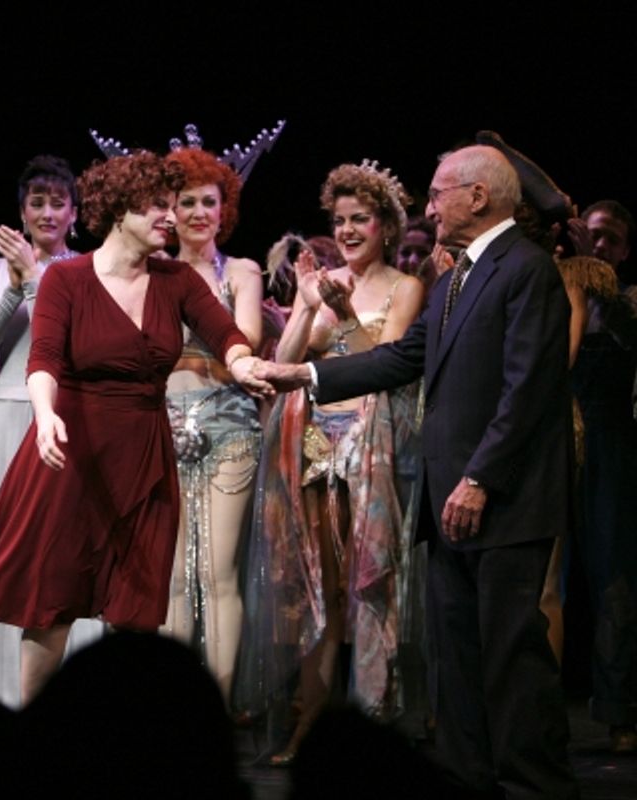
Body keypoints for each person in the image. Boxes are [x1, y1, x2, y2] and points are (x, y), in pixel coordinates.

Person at [255, 145, 578, 798]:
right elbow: (403, 356)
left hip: (502, 496)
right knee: (456, 655)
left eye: (436, 194)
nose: (428, 209)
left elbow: (527, 390)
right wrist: (304, 374)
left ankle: (535, 786)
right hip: (449, 493)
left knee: (510, 652)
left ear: (478, 197)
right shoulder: (459, 277)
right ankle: (467, 778)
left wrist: (480, 478)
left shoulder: (526, 269)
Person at [0, 151, 271, 703]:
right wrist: (45, 415)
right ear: (119, 209)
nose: (170, 218)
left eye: (171, 206)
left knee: (137, 608)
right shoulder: (66, 279)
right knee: (55, 602)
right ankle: (36, 727)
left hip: (144, 456)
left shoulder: (176, 280)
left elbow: (225, 334)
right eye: (157, 206)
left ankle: (122, 732)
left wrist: (243, 363)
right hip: (74, 453)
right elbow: (43, 358)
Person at [244, 161, 424, 764]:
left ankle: (371, 724)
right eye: (340, 219)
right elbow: (287, 360)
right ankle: (311, 722)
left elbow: (388, 366)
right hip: (312, 447)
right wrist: (304, 306)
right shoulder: (323, 281)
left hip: (368, 448)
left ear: (386, 226)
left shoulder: (405, 288)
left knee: (364, 586)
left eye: (360, 219)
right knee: (314, 589)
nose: (347, 230)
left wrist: (345, 320)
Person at [0, 155, 105, 709]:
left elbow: (73, 342)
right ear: (21, 212)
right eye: (37, 203)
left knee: (66, 550)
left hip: (66, 414)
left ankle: (68, 696)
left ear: (74, 213)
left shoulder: (89, 269)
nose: (47, 213)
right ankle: (0, 697)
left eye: (58, 203)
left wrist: (36, 281)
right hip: (7, 411)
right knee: (3, 549)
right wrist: (14, 284)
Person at [159, 145, 263, 709]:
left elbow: (244, 339)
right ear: (168, 210)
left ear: (225, 209)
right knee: (174, 576)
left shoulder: (242, 271)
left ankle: (216, 708)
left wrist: (177, 349)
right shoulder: (151, 271)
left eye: (208, 202)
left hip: (228, 426)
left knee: (218, 572)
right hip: (161, 428)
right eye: (187, 202)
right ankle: (176, 709)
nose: (198, 213)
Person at [565, 199, 637, 753]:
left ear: (626, 250)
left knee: (614, 578)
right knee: (546, 580)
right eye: (593, 235)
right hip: (557, 444)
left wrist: (594, 273)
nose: (601, 245)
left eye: (611, 238)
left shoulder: (628, 300)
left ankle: (617, 712)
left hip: (611, 448)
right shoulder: (558, 295)